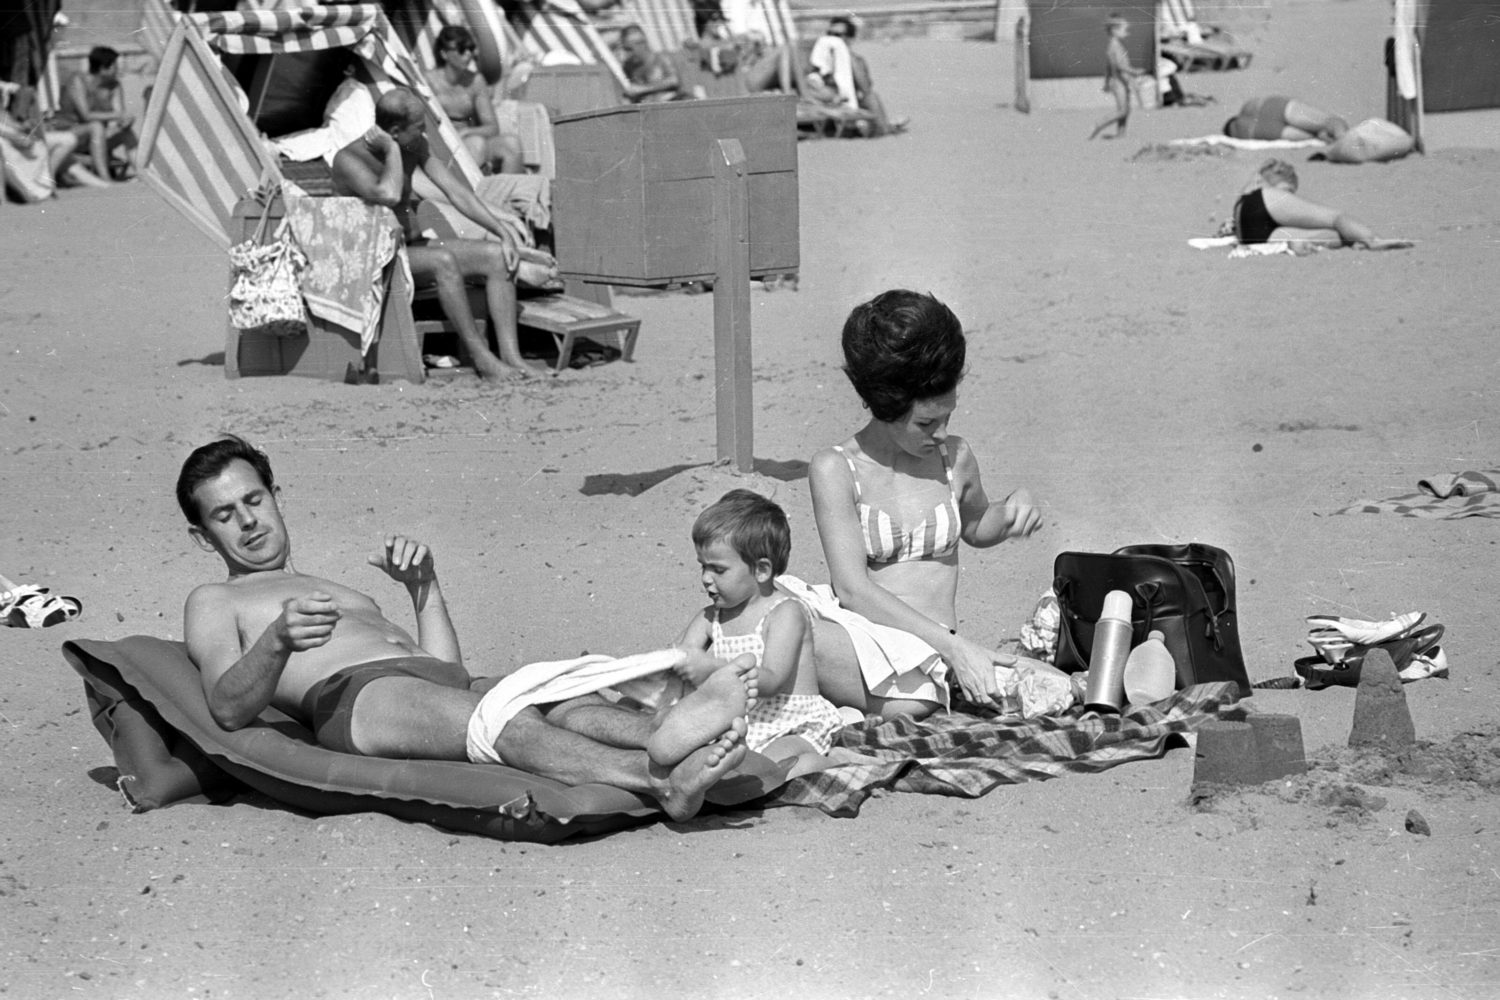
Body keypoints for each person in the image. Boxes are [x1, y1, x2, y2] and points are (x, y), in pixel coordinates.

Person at [177, 434, 753, 822]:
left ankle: (662, 728)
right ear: (204, 536)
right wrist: (276, 639)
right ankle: (658, 780)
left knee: (566, 699)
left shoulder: (343, 590)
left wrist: (424, 588)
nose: (248, 521)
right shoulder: (215, 599)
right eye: (225, 515)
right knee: (497, 722)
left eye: (253, 499)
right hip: (355, 698)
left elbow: (446, 669)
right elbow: (227, 706)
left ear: (275, 496)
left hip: (433, 681)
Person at [802, 290, 1063, 720]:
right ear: (887, 406)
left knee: (918, 700)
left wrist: (1012, 509)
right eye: (927, 422)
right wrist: (958, 649)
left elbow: (977, 524)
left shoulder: (953, 457)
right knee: (781, 617)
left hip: (930, 656)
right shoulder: (835, 468)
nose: (941, 433)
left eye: (948, 417)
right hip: (866, 640)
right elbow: (851, 589)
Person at [331, 86, 534, 381]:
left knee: (496, 257)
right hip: (371, 258)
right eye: (418, 128)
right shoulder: (349, 159)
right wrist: (391, 151)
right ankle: (483, 360)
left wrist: (502, 232)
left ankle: (512, 357)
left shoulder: (412, 145)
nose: (424, 133)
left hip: (405, 248)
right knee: (442, 261)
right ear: (396, 131)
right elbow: (387, 194)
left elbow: (456, 192)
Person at [675, 490, 844, 778]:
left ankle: (836, 762)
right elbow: (680, 658)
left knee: (767, 772)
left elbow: (772, 681)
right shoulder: (708, 618)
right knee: (710, 765)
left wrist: (710, 668)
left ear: (762, 570)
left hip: (790, 721)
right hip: (738, 723)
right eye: (703, 567)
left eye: (718, 569)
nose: (706, 578)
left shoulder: (784, 613)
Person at [1232, 158, 1409, 251]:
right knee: (1334, 218)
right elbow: (1335, 218)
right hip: (1262, 208)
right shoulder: (1268, 190)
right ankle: (1374, 240)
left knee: (1330, 235)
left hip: (1252, 234)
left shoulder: (1249, 189)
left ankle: (1358, 240)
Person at [425, 25, 523, 175]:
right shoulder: (429, 81)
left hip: (468, 139)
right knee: (476, 143)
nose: (468, 54)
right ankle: (476, 195)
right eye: (461, 49)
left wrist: (466, 132)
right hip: (439, 144)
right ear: (444, 54)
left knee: (511, 144)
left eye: (471, 48)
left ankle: (509, 193)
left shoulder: (475, 81)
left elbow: (491, 127)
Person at [807, 16, 906, 136]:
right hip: (828, 100)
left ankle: (883, 128)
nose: (832, 39)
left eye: (837, 35)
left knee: (872, 97)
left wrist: (847, 57)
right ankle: (884, 127)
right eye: (829, 34)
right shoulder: (820, 60)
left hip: (850, 101)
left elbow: (865, 89)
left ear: (850, 39)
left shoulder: (857, 61)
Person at [53, 45, 137, 181]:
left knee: (126, 133)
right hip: (72, 134)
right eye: (115, 66)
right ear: (103, 68)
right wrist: (120, 115)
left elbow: (119, 114)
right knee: (95, 126)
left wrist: (125, 122)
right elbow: (86, 114)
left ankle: (142, 174)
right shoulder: (78, 80)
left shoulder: (114, 86)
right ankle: (106, 179)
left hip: (96, 139)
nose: (118, 70)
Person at [1089, 15, 1147, 140]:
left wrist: (1106, 81)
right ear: (1115, 31)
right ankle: (1098, 124)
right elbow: (1120, 65)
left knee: (1125, 109)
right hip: (1118, 81)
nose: (1127, 32)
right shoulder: (1114, 46)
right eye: (1124, 30)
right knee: (1122, 110)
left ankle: (1121, 134)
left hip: (1120, 80)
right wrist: (1134, 71)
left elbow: (1109, 66)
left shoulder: (1116, 45)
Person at [1223, 95, 1347, 143]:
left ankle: (1341, 140)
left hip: (1265, 131)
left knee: (1317, 136)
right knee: (1327, 122)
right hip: (1274, 108)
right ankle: (1344, 137)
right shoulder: (1246, 109)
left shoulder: (1238, 132)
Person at [619, 25, 691, 103]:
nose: (627, 53)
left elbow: (674, 81)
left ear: (641, 44)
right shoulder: (629, 67)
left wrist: (643, 89)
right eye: (625, 49)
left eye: (628, 49)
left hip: (670, 104)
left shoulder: (661, 58)